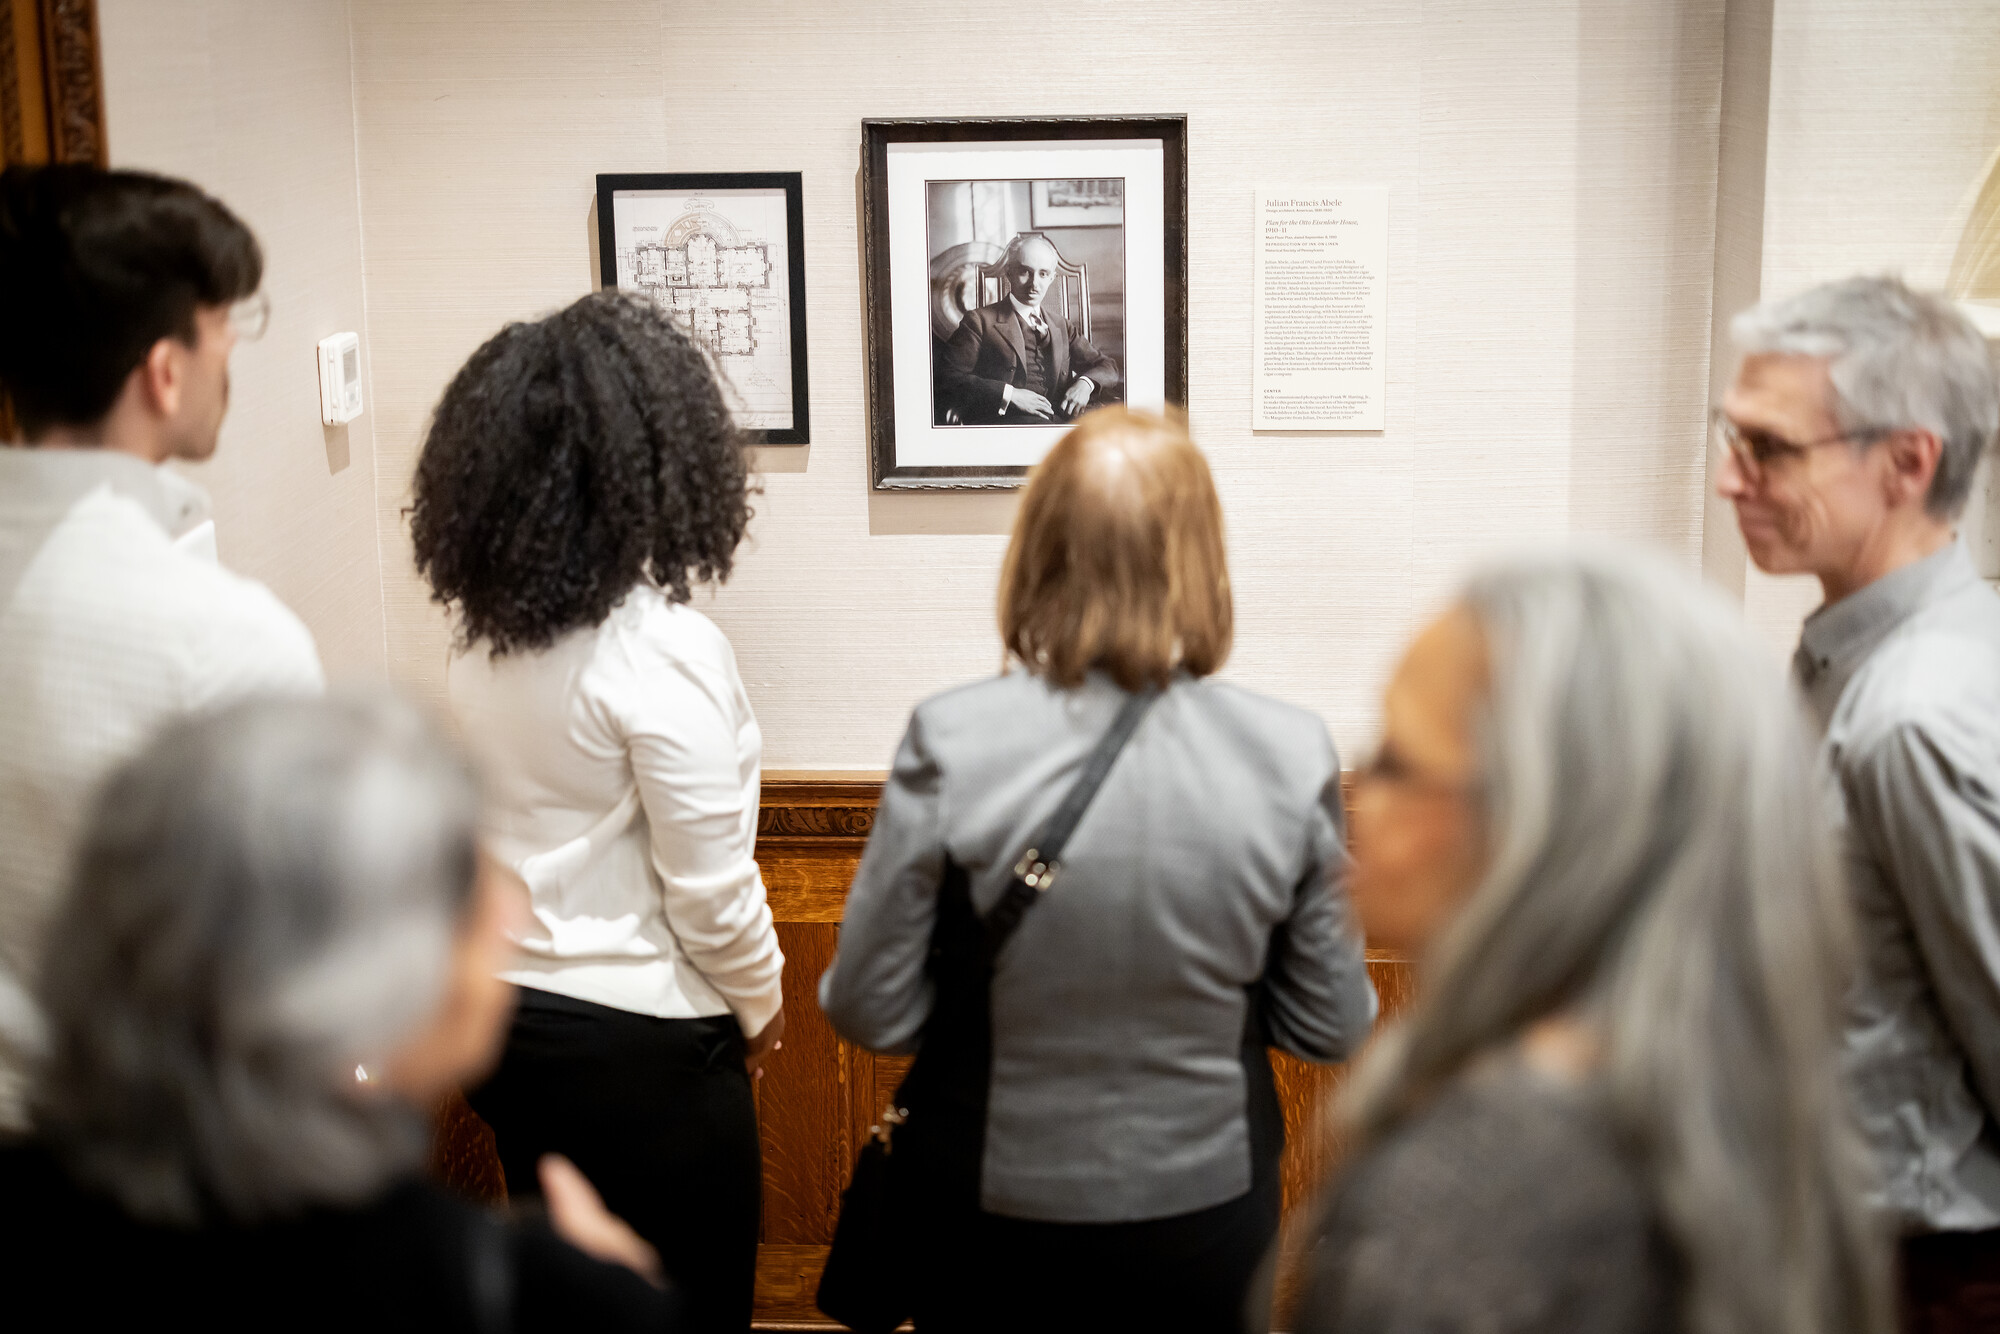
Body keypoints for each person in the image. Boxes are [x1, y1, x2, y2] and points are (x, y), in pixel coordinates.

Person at [820, 406, 1377, 1333]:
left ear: (1038, 549)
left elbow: (868, 1008)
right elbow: (1332, 1024)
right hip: (1206, 1203)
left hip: (989, 1203)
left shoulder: (951, 739)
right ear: (1201, 560)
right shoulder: (1289, 753)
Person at [1291, 546, 1889, 1334]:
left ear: (1548, 827)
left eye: (1395, 762)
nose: (1357, 804)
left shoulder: (1462, 1204)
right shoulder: (1755, 1114)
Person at [0, 694, 675, 1330]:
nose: (514, 912)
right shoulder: (541, 1304)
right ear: (356, 992)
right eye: (467, 888)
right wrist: (610, 1293)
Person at [410, 288, 784, 1334]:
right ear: (661, 458)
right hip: (648, 1047)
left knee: (566, 1319)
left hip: (513, 1030)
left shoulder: (479, 646)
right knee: (689, 1315)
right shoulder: (661, 649)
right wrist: (762, 1006)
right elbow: (710, 892)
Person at [0, 164, 324, 1131]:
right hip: (143, 1158)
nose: (232, 355)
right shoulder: (223, 637)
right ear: (166, 368)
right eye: (227, 324)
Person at [1716, 276, 2000, 1332]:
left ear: (1906, 461)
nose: (1725, 478)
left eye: (1767, 448)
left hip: (1920, 1277)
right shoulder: (1856, 661)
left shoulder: (1911, 714)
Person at [935, 231, 1121, 425]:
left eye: (1043, 274)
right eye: (1025, 272)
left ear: (1052, 278)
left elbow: (1107, 366)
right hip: (1011, 420)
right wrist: (1009, 394)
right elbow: (948, 378)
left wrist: (1085, 384)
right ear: (1009, 272)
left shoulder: (1061, 325)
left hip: (1061, 417)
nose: (1034, 284)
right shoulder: (979, 321)